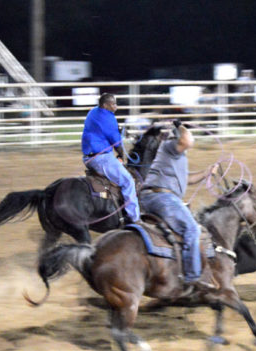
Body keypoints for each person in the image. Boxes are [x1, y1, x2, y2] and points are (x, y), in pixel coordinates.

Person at [139, 121, 218, 293]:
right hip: (162, 197)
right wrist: (181, 127)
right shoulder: (169, 147)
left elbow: (187, 179)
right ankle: (192, 277)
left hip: (156, 196)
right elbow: (187, 141)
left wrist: (207, 172)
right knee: (191, 229)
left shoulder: (177, 156)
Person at [81, 93, 140, 224]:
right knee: (128, 181)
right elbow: (117, 143)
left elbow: (105, 130)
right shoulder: (109, 118)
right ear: (105, 105)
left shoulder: (93, 112)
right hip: (101, 158)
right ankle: (135, 218)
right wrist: (122, 155)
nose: (116, 106)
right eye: (113, 104)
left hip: (88, 158)